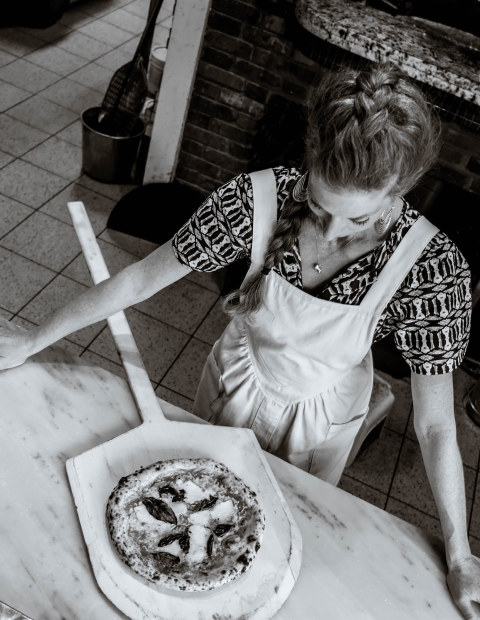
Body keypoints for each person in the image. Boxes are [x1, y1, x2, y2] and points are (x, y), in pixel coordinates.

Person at [0, 60, 479, 617]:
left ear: (403, 187)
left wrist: (461, 553)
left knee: (271, 534)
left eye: (357, 221)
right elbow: (137, 279)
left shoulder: (432, 268)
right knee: (192, 508)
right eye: (320, 209)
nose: (329, 232)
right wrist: (33, 338)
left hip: (324, 415)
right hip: (236, 380)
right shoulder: (255, 201)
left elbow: (437, 423)